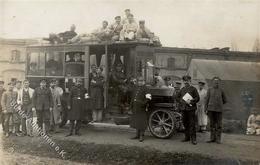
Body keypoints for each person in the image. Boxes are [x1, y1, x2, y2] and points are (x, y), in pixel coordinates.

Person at [176, 75, 200, 145]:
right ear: (183, 82)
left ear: (190, 81)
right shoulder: (182, 89)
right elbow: (177, 97)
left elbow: (197, 98)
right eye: (185, 81)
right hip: (184, 109)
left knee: (192, 124)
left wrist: (191, 101)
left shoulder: (193, 89)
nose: (186, 82)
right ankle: (187, 137)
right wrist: (181, 101)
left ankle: (194, 139)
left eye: (187, 81)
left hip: (191, 109)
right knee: (185, 123)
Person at [205, 77, 227, 144]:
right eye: (215, 83)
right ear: (212, 83)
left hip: (219, 110)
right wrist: (205, 109)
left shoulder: (221, 90)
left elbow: (225, 100)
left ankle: (218, 139)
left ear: (219, 83)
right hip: (210, 109)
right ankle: (212, 138)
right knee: (212, 125)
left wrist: (219, 104)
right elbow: (207, 100)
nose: (216, 84)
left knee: (219, 125)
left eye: (217, 83)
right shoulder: (209, 90)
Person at [130, 77, 152, 142]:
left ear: (144, 82)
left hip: (142, 108)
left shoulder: (146, 89)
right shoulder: (136, 88)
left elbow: (149, 98)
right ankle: (137, 135)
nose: (140, 82)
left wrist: (143, 104)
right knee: (136, 121)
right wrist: (131, 106)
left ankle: (141, 136)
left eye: (141, 81)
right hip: (135, 107)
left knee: (142, 122)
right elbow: (133, 97)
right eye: (139, 81)